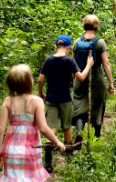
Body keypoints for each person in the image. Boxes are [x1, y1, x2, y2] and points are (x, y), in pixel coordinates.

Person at [0, 64, 71, 182]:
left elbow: (0, 129)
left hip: (12, 151)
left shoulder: (8, 102)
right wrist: (58, 142)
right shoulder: (36, 101)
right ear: (29, 81)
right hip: (31, 150)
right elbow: (44, 128)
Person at [38, 35, 93, 167]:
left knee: (51, 128)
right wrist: (88, 65)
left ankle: (48, 163)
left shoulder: (48, 60)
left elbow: (40, 79)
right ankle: (69, 159)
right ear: (69, 48)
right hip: (65, 99)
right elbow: (80, 77)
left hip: (51, 98)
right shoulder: (69, 61)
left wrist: (41, 93)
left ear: (55, 47)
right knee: (66, 127)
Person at [72, 14, 115, 140]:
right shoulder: (100, 42)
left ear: (84, 25)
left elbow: (72, 63)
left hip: (80, 77)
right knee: (97, 106)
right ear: (96, 26)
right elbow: (106, 64)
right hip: (96, 79)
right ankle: (96, 136)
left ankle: (79, 131)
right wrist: (111, 83)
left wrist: (75, 79)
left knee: (80, 106)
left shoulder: (77, 42)